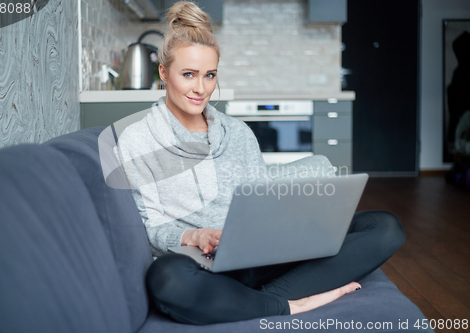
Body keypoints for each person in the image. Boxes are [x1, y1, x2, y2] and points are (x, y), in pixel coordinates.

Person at [115, 1, 406, 325]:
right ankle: (289, 304)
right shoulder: (139, 139)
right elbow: (152, 227)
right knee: (165, 278)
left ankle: (253, 302)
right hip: (203, 266)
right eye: (189, 75)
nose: (201, 88)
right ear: (163, 73)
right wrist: (194, 236)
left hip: (266, 255)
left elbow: (262, 193)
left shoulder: (238, 133)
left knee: (384, 227)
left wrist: (302, 213)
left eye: (209, 75)